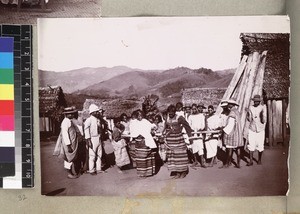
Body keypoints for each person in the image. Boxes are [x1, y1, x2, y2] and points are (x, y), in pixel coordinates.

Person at [164, 105, 193, 179]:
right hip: (170, 141)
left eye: (172, 113)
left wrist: (190, 137)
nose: (170, 114)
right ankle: (177, 172)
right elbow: (165, 127)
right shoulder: (167, 118)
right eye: (169, 113)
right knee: (173, 157)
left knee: (181, 156)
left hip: (178, 140)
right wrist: (164, 135)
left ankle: (183, 172)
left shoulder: (179, 118)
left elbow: (187, 126)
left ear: (174, 112)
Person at [130, 110, 157, 178]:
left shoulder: (145, 121)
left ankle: (148, 172)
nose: (140, 117)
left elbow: (151, 127)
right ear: (136, 116)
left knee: (146, 157)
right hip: (138, 142)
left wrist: (152, 128)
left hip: (145, 141)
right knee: (139, 158)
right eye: (138, 115)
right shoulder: (134, 122)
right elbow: (132, 131)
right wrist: (137, 135)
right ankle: (141, 173)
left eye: (141, 115)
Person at [84, 104, 106, 175]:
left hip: (98, 138)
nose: (97, 113)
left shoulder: (98, 120)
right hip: (92, 138)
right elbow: (86, 129)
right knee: (92, 155)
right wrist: (88, 140)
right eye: (96, 112)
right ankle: (91, 170)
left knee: (100, 154)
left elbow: (101, 129)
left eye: (97, 112)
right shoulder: (89, 120)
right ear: (92, 112)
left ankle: (99, 168)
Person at [246, 94, 267, 166]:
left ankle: (259, 159)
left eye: (257, 101)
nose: (256, 103)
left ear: (259, 102)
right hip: (252, 128)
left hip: (260, 129)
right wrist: (248, 113)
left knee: (260, 144)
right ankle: (251, 161)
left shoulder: (263, 108)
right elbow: (249, 119)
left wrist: (262, 115)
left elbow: (264, 120)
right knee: (251, 144)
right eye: (255, 101)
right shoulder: (251, 108)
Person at [221, 99, 243, 168]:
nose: (228, 105)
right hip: (238, 132)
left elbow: (231, 124)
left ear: (232, 104)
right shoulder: (237, 112)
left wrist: (224, 130)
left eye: (229, 104)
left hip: (233, 132)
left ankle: (227, 163)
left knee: (229, 148)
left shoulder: (232, 112)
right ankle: (238, 164)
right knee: (238, 148)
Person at [59, 106, 80, 179]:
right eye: (70, 114)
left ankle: (72, 172)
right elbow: (65, 134)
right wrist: (68, 145)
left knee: (71, 158)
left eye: (72, 113)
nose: (72, 115)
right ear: (66, 114)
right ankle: (69, 173)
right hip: (69, 144)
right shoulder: (65, 122)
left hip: (72, 143)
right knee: (69, 158)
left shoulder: (69, 121)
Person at [188, 103, 206, 168]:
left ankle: (202, 162)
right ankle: (195, 161)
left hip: (199, 133)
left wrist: (200, 129)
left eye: (195, 109)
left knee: (200, 148)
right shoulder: (190, 116)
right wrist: (193, 130)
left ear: (197, 109)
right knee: (194, 148)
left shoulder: (201, 116)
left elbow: (203, 124)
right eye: (192, 109)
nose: (194, 110)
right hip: (193, 134)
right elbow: (189, 125)